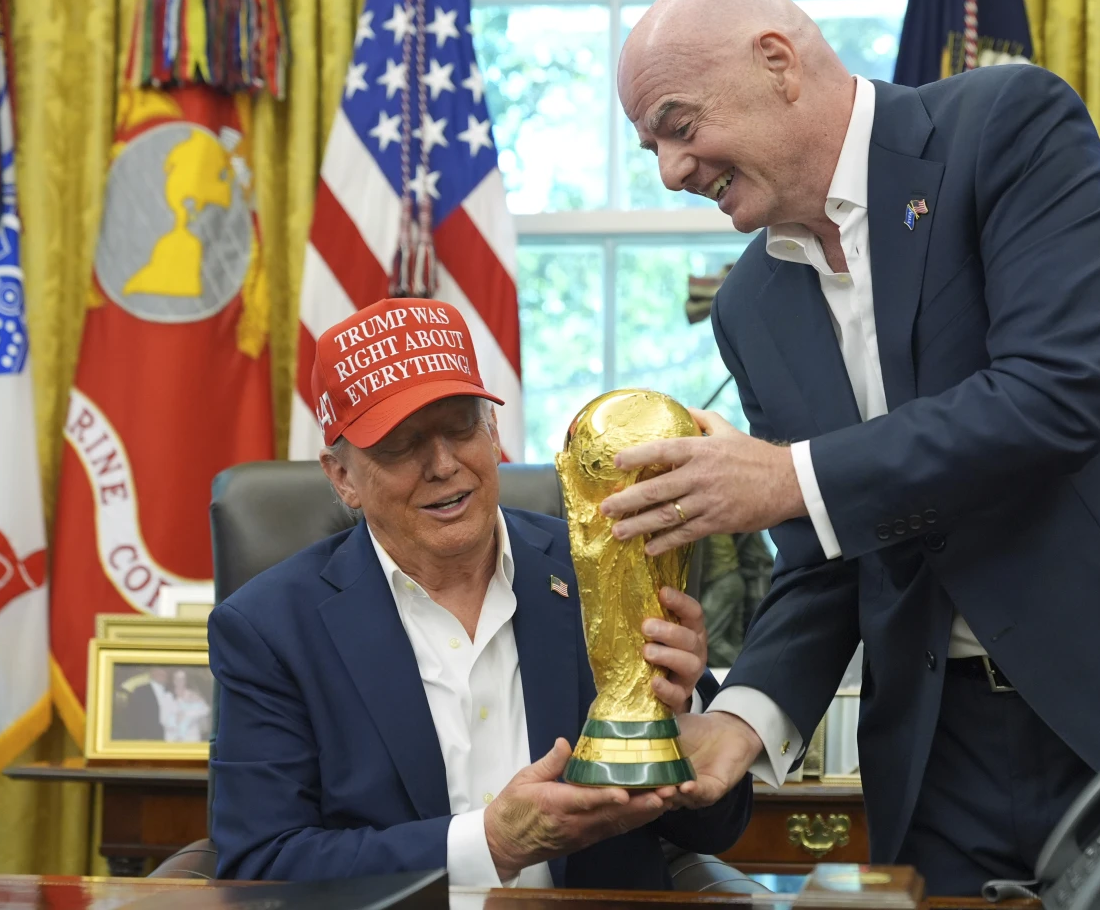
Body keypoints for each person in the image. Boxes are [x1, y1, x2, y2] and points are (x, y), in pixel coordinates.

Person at [605, 0, 1100, 895]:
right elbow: (828, 551)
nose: (671, 170)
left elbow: (1055, 394)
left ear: (778, 64)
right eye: (650, 147)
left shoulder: (1007, 125)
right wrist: (743, 719)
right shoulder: (751, 303)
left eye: (678, 125)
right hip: (940, 759)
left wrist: (790, 479)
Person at [207, 297, 751, 884]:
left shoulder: (604, 565)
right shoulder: (270, 628)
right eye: (400, 444)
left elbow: (717, 829)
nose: (443, 465)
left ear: (492, 432)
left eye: (461, 426)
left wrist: (683, 708)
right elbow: (261, 864)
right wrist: (488, 844)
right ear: (342, 477)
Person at [111, 666, 168, 742]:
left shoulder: (169, 690)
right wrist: (139, 736)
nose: (162, 674)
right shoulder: (140, 690)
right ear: (152, 673)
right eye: (159, 672)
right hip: (146, 737)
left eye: (164, 673)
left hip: (166, 736)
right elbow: (134, 715)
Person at [161, 669, 211, 743]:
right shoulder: (167, 697)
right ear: (173, 680)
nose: (180, 681)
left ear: (186, 680)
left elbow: (206, 710)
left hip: (192, 739)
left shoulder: (193, 695)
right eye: (177, 678)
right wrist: (176, 719)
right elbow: (163, 719)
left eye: (182, 679)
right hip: (173, 740)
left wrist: (188, 715)